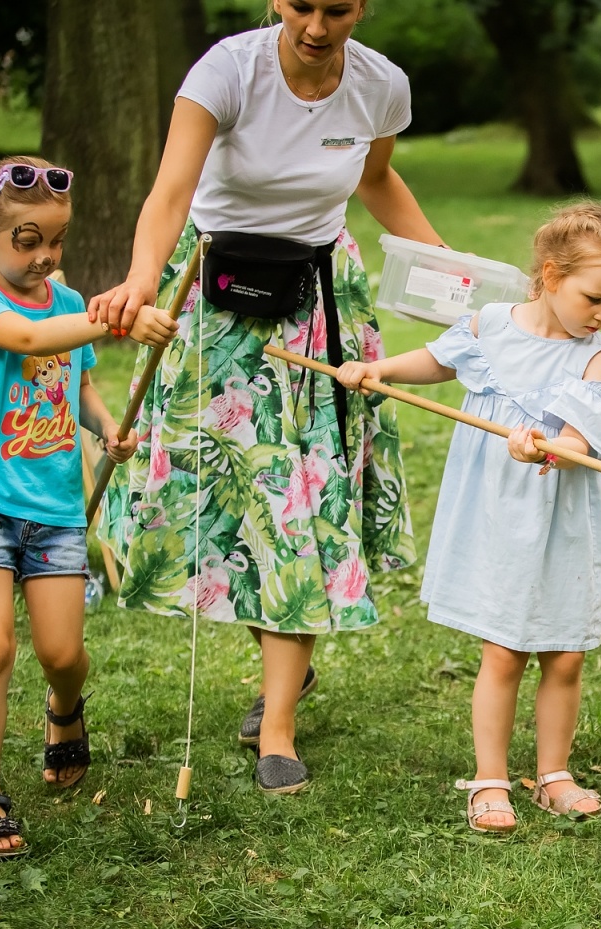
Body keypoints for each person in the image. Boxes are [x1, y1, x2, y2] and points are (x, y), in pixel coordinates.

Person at [89, 0, 444, 795]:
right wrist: (141, 279)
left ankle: (277, 723)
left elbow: (375, 177)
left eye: (337, 9)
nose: (316, 26)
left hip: (316, 302)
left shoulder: (380, 85)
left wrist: (450, 271)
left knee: (296, 506)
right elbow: (170, 193)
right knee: (225, 498)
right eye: (300, 4)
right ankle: (288, 665)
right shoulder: (227, 70)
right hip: (211, 296)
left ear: (363, 6)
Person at [334, 202, 601, 834]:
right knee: (503, 651)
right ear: (551, 275)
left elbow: (579, 441)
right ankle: (490, 779)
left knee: (564, 654)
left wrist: (550, 448)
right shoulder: (491, 325)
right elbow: (440, 360)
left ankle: (554, 774)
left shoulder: (597, 358)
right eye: (595, 298)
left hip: (560, 522)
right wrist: (380, 370)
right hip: (497, 515)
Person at [0, 156, 176, 858]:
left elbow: (76, 380)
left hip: (55, 505)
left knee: (64, 655)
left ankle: (64, 708)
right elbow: (30, 340)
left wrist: (105, 428)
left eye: (57, 241)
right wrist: (114, 322)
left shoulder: (67, 301)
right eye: (28, 240)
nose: (45, 255)